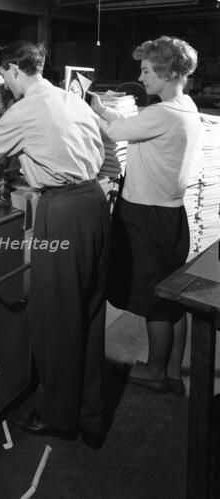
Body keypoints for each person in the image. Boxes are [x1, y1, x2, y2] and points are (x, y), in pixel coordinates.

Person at [0, 41, 110, 448]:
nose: (2, 82)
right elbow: (90, 150)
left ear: (14, 69)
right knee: (88, 313)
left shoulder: (27, 108)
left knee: (55, 320)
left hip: (63, 212)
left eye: (1, 74)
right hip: (94, 205)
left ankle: (58, 416)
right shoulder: (70, 100)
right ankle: (91, 415)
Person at [90, 36, 201, 396]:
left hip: (145, 215)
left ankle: (154, 371)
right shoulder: (184, 107)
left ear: (168, 74)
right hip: (170, 215)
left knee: (152, 299)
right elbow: (130, 123)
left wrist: (90, 111)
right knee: (170, 299)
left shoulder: (162, 113)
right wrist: (105, 110)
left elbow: (116, 132)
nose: (142, 76)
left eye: (148, 70)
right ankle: (171, 371)